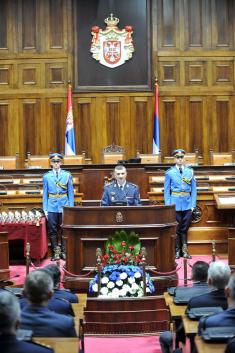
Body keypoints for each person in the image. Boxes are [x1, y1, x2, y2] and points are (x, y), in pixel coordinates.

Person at [20, 270, 77, 337]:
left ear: (23, 294)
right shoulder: (66, 323)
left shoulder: (9, 323)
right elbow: (73, 346)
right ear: (51, 295)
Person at [164, 149, 197, 259]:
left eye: (181, 157)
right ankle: (177, 251)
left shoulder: (190, 171)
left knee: (184, 228)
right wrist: (169, 206)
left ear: (184, 158)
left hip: (187, 204)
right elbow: (166, 190)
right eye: (177, 157)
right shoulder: (169, 173)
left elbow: (193, 189)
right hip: (175, 204)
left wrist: (193, 205)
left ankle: (185, 250)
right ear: (174, 159)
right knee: (177, 228)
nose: (179, 159)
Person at [43, 153, 74, 261]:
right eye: (54, 162)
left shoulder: (67, 175)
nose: (56, 164)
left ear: (61, 162)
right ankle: (55, 253)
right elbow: (45, 194)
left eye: (58, 161)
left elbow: (70, 192)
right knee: (52, 230)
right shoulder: (46, 176)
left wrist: (71, 208)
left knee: (64, 229)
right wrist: (45, 209)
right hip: (51, 206)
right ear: (51, 163)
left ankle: (64, 252)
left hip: (64, 205)